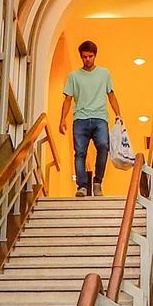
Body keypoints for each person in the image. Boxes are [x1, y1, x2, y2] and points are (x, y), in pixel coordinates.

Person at [59, 40, 122, 197]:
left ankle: (97, 182)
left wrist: (118, 115)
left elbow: (111, 94)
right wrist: (62, 119)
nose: (87, 60)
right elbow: (67, 99)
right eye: (84, 57)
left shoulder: (104, 74)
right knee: (80, 152)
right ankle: (82, 186)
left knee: (103, 146)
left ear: (95, 56)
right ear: (81, 57)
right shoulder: (73, 76)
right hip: (80, 119)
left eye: (90, 56)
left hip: (100, 117)